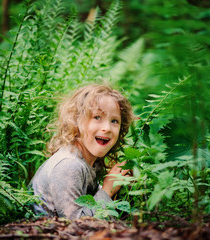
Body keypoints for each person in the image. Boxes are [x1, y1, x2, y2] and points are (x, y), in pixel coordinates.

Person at [29, 84, 135, 219]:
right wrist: (107, 190)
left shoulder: (89, 162)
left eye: (114, 121)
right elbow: (75, 225)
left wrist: (121, 190)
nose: (107, 128)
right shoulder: (69, 165)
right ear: (76, 121)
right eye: (97, 117)